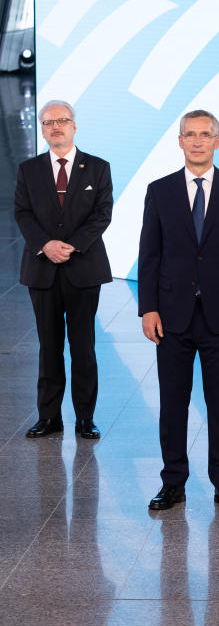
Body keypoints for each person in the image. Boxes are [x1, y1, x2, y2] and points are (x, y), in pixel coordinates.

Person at [138, 110, 219, 512]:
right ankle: (173, 482)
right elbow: (149, 254)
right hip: (171, 317)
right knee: (172, 403)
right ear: (179, 141)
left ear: (218, 142)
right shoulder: (159, 191)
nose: (197, 141)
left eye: (205, 134)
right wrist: (148, 309)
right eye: (190, 134)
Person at [14, 100, 112, 440]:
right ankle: (49, 417)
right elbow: (22, 213)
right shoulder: (29, 169)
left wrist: (69, 246)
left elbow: (102, 214)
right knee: (49, 346)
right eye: (48, 122)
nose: (56, 126)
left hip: (83, 268)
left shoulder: (97, 167)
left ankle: (85, 418)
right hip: (42, 270)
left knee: (83, 347)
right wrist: (46, 245)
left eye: (62, 120)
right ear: (42, 129)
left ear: (74, 126)